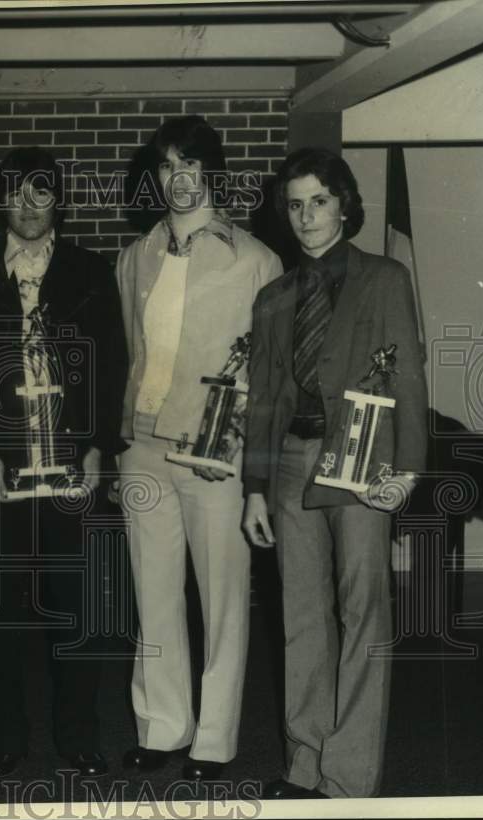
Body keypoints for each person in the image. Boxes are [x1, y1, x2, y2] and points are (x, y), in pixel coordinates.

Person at [0, 146, 129, 778]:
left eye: (41, 193)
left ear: (58, 200)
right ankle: (4, 735)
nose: (29, 206)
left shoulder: (93, 272)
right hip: (0, 471)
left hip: (73, 461)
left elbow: (113, 366)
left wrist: (100, 448)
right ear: (1, 202)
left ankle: (78, 734)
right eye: (16, 193)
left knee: (79, 606)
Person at [241, 147, 427, 799]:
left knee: (363, 610)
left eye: (319, 200)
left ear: (344, 204)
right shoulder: (272, 296)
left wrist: (407, 467)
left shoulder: (385, 278)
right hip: (292, 460)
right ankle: (303, 761)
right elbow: (263, 397)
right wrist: (255, 489)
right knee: (300, 613)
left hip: (365, 457)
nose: (306, 215)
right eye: (294, 204)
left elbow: (406, 376)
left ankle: (346, 777)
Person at [116, 116, 283, 781]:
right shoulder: (136, 255)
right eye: (167, 166)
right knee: (153, 594)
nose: (178, 179)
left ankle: (213, 740)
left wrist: (240, 443)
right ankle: (162, 727)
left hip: (216, 453)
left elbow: (267, 369)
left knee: (222, 597)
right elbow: (130, 355)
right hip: (144, 447)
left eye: (190, 165)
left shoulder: (255, 259)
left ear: (211, 172)